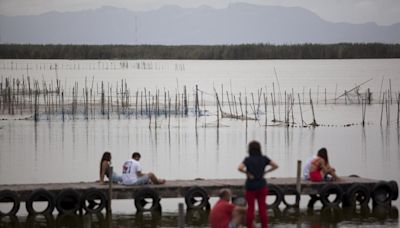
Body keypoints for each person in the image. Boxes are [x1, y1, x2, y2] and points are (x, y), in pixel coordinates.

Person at [238, 141, 278, 228]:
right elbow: (275, 165)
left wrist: (247, 173)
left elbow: (239, 168)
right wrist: (266, 172)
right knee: (262, 209)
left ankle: (249, 226)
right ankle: (264, 226)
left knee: (250, 209)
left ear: (249, 149)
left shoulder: (248, 159)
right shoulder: (264, 158)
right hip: (261, 186)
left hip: (250, 186)